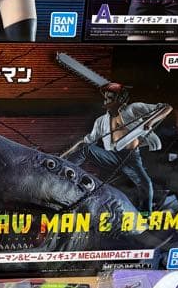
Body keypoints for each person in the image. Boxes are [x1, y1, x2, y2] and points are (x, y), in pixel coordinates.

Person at [68, 83, 167, 215]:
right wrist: (67, 154)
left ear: (120, 99)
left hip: (131, 158)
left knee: (146, 184)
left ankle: (145, 214)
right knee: (86, 149)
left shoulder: (134, 109)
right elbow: (87, 142)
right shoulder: (101, 121)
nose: (105, 99)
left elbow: (166, 108)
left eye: (109, 97)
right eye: (105, 97)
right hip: (111, 156)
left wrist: (150, 122)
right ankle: (64, 170)